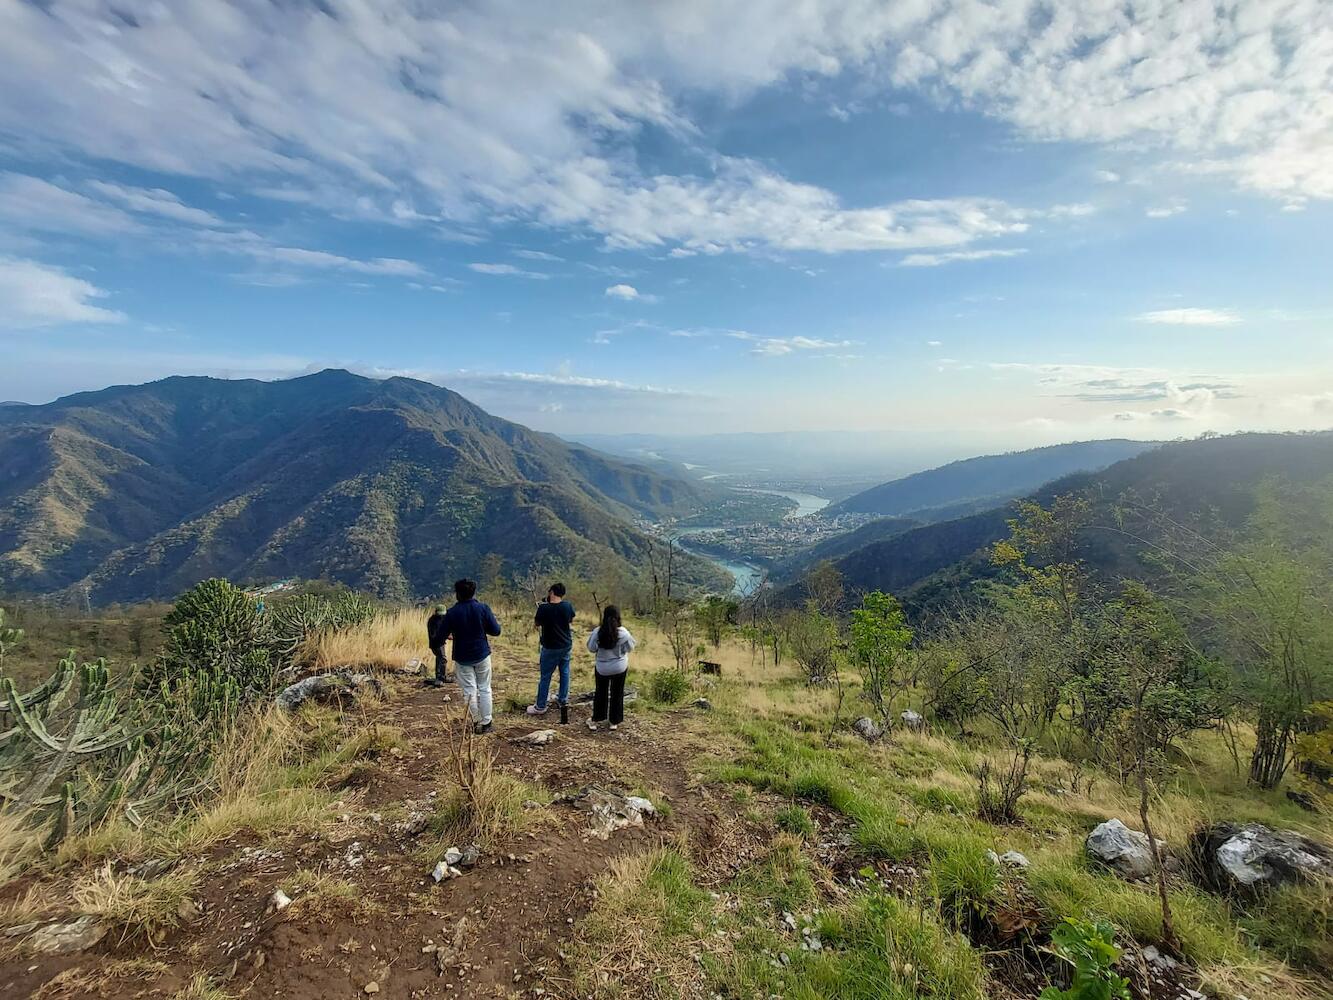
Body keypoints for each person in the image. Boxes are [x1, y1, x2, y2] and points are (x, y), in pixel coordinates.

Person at [435, 579, 502, 734]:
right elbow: (496, 631)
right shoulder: (482, 608)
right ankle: (487, 723)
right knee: (485, 688)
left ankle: (476, 720)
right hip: (482, 653)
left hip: (462, 656)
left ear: (457, 594)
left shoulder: (451, 613)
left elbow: (440, 637)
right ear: (473, 592)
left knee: (469, 691)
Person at [528, 582, 576, 715]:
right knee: (565, 671)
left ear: (552, 592)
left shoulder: (543, 608)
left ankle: (540, 705)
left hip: (550, 646)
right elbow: (570, 620)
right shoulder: (567, 606)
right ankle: (563, 699)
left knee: (545, 676)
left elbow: (537, 624)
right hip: (566, 644)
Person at [585, 605, 635, 732]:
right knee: (617, 693)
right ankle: (614, 721)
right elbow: (629, 648)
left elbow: (591, 648)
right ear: (618, 617)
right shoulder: (624, 633)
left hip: (602, 667)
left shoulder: (598, 632)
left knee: (600, 692)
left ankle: (596, 719)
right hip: (619, 667)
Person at [426, 604, 452, 685]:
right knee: (443, 659)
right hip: (436, 644)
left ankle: (441, 677)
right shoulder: (432, 621)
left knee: (439, 658)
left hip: (440, 642)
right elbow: (434, 635)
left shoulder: (442, 618)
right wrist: (446, 636)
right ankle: (440, 677)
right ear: (436, 612)